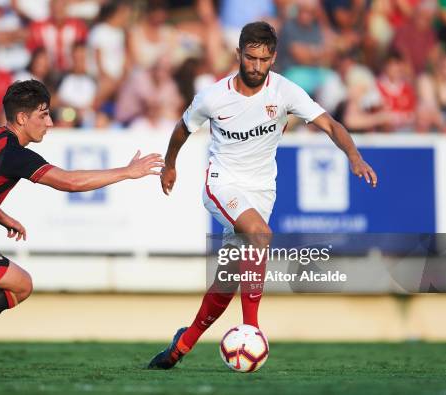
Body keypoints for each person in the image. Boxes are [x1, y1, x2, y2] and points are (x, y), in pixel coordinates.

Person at [147, 21, 377, 370]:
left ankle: (180, 346)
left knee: (227, 278)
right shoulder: (213, 96)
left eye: (264, 60)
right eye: (250, 58)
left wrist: (354, 156)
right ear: (238, 54)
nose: (256, 67)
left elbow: (329, 123)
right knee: (260, 235)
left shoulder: (284, 92)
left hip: (262, 190)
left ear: (273, 57)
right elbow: (182, 129)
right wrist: (170, 165)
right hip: (222, 183)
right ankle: (251, 329)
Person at [0, 79, 164, 369]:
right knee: (21, 286)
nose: (50, 123)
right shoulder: (15, 155)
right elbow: (70, 182)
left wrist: (0, 214)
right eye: (44, 115)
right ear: (22, 118)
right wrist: (127, 172)